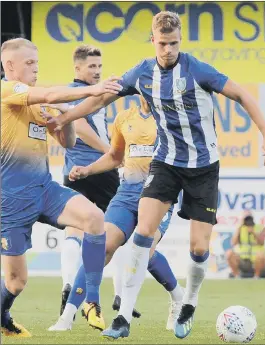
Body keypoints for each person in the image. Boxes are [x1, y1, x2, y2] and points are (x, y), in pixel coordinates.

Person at [43, 11, 265, 340]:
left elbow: (242, 95)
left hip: (203, 168)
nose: (168, 49)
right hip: (166, 163)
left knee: (198, 248)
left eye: (174, 43)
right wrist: (65, 117)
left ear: (179, 41)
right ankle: (123, 316)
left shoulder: (196, 69)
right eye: (163, 43)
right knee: (141, 233)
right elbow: (98, 100)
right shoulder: (141, 73)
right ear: (153, 40)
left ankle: (189, 302)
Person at [0, 38, 122, 338]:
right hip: (11, 200)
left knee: (94, 219)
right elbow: (51, 92)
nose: (35, 67)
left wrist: (65, 117)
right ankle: (2, 314)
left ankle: (91, 300)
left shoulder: (38, 102)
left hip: (44, 189)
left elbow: (67, 141)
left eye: (37, 62)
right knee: (16, 282)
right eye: (29, 63)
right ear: (10, 66)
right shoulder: (7, 91)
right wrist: (91, 91)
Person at [48, 95, 184, 332]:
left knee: (142, 252)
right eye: (145, 84)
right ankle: (67, 317)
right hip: (127, 194)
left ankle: (178, 296)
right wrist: (88, 170)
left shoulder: (171, 120)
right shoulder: (124, 119)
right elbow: (115, 157)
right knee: (102, 247)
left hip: (159, 195)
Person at [53, 45, 120, 316]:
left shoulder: (87, 93)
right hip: (96, 169)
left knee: (76, 231)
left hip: (74, 169)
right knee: (118, 229)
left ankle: (69, 284)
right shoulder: (74, 92)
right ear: (77, 68)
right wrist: (110, 152)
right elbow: (78, 125)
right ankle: (118, 294)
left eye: (99, 67)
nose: (97, 71)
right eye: (91, 66)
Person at [226, 214, 265, 279]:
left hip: (255, 259)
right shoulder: (240, 228)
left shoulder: (259, 227)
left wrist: (253, 232)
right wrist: (239, 229)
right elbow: (233, 243)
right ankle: (237, 276)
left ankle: (256, 277)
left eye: (249, 219)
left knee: (261, 255)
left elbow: (261, 243)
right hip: (242, 258)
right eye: (246, 220)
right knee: (229, 253)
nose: (248, 222)